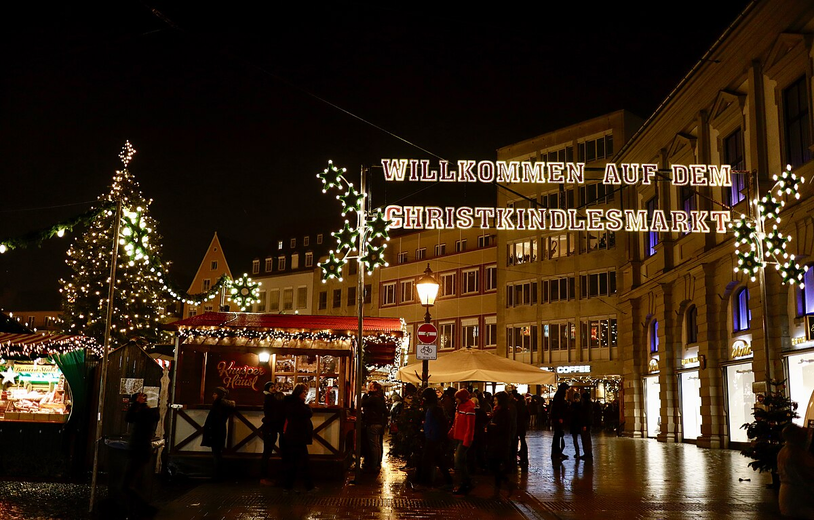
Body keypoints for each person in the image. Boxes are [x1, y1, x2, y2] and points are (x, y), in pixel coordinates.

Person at [122, 392, 159, 516]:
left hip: (138, 449)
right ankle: (139, 508)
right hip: (142, 450)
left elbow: (129, 417)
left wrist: (137, 404)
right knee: (134, 482)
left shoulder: (145, 414)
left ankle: (144, 508)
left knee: (126, 484)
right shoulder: (150, 413)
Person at [415, 387, 452, 489]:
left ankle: (424, 483)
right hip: (433, 436)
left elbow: (438, 423)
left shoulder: (433, 408)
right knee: (438, 459)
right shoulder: (435, 407)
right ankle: (448, 481)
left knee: (427, 460)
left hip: (432, 437)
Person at [281, 383, 315, 492]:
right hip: (296, 436)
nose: (305, 394)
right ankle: (307, 486)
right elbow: (307, 413)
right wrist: (308, 407)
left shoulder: (291, 403)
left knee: (294, 462)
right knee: (302, 462)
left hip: (294, 436)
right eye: (304, 392)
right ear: (299, 392)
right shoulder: (297, 405)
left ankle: (289, 485)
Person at [777, 423, 814, 519]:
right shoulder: (796, 453)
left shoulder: (785, 451)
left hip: (790, 497)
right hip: (798, 499)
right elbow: (807, 476)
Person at [201, 386, 235, 481]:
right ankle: (219, 474)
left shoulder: (217, 404)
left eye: (215, 394)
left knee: (216, 453)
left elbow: (212, 419)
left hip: (215, 431)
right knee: (218, 453)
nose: (213, 396)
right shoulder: (225, 405)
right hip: (220, 430)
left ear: (219, 395)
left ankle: (217, 475)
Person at [448, 388, 476, 495]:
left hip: (464, 438)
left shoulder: (469, 409)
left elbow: (470, 427)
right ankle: (466, 482)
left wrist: (467, 440)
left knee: (458, 460)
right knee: (461, 461)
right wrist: (451, 433)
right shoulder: (459, 407)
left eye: (457, 398)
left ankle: (464, 482)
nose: (456, 400)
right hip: (458, 437)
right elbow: (456, 423)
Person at [487, 391, 513, 492]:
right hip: (497, 440)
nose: (494, 402)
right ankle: (500, 481)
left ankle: (501, 480)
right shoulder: (498, 411)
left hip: (500, 441)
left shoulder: (504, 412)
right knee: (495, 463)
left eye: (496, 400)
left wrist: (491, 426)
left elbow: (503, 427)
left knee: (495, 462)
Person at [260, 381, 285, 485]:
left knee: (267, 452)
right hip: (270, 429)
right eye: (272, 387)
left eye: (274, 387)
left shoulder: (270, 398)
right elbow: (274, 414)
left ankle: (264, 477)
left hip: (270, 428)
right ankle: (263, 478)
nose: (274, 388)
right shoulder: (271, 399)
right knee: (267, 453)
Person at [361, 381, 388, 471]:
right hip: (379, 423)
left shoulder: (373, 398)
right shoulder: (380, 398)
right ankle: (377, 463)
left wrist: (365, 395)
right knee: (377, 445)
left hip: (373, 423)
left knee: (374, 445)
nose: (368, 388)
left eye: (370, 387)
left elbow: (362, 403)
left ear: (375, 389)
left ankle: (373, 465)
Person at [550, 382, 569, 461]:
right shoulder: (559, 396)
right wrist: (560, 417)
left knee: (557, 435)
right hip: (558, 418)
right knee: (557, 435)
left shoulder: (558, 395)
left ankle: (557, 451)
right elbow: (559, 408)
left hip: (557, 418)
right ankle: (556, 452)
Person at [512, 389, 529, 468]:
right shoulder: (523, 405)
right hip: (522, 425)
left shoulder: (516, 405)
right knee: (523, 439)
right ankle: (524, 454)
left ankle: (515, 456)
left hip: (517, 424)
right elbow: (527, 415)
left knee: (515, 440)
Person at [578, 391, 594, 460]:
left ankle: (587, 453)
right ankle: (588, 453)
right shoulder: (589, 405)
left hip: (585, 424)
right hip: (587, 424)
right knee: (587, 439)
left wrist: (584, 425)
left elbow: (586, 416)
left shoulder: (586, 405)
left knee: (585, 439)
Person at [569, 393, 583, 459]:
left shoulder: (573, 405)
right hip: (579, 424)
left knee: (575, 440)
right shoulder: (581, 405)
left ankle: (577, 453)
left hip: (574, 424)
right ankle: (578, 453)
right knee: (581, 439)